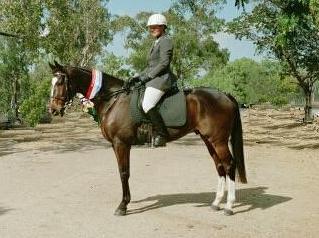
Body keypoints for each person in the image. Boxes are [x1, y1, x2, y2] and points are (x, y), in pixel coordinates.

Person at [135, 13, 177, 147]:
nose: (151, 29)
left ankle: (162, 134)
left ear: (163, 27)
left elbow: (164, 63)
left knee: (147, 103)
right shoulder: (156, 42)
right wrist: (138, 77)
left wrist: (148, 76)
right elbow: (150, 66)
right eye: (150, 27)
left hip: (162, 79)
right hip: (154, 79)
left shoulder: (166, 41)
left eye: (155, 27)